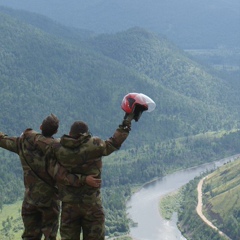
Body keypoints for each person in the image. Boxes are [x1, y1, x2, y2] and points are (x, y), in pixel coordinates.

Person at [0, 114, 99, 240]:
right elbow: (64, 176)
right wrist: (84, 179)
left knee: (29, 236)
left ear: (40, 127)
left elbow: (3, 140)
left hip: (30, 201)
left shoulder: (23, 143)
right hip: (49, 203)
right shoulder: (56, 151)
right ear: (56, 131)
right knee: (50, 236)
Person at [48, 113, 134, 240]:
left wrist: (79, 179)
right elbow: (114, 142)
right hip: (92, 205)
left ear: (70, 132)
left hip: (69, 206)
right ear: (85, 134)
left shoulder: (57, 148)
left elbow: (55, 172)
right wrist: (127, 122)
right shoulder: (95, 144)